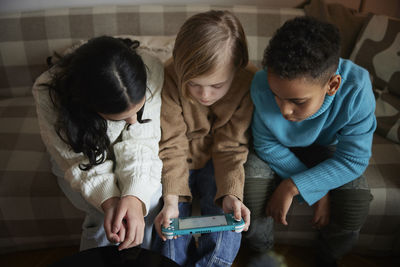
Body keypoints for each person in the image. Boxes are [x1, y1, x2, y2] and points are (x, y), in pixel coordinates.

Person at [243, 16, 376, 267]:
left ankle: (327, 257)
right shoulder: (261, 83)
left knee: (355, 202)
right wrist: (316, 190)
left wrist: (295, 186)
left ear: (333, 85)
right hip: (276, 149)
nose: (283, 110)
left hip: (328, 148)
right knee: (251, 189)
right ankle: (261, 252)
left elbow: (353, 160)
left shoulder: (357, 89)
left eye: (298, 101)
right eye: (276, 96)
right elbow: (266, 146)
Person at [32, 36, 164, 251]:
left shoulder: (151, 68)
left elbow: (142, 140)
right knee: (110, 216)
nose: (133, 121)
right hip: (79, 157)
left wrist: (134, 196)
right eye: (119, 118)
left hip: (133, 150)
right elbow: (76, 160)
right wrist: (109, 201)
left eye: (138, 110)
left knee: (147, 199)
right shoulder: (47, 93)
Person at [153, 10, 256, 267]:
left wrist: (232, 195)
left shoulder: (248, 81)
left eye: (217, 85)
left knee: (226, 230)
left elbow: (231, 148)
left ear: (237, 67)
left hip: (219, 160)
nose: (205, 95)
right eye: (194, 84)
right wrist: (171, 201)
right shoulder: (169, 76)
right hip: (178, 161)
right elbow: (171, 144)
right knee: (168, 242)